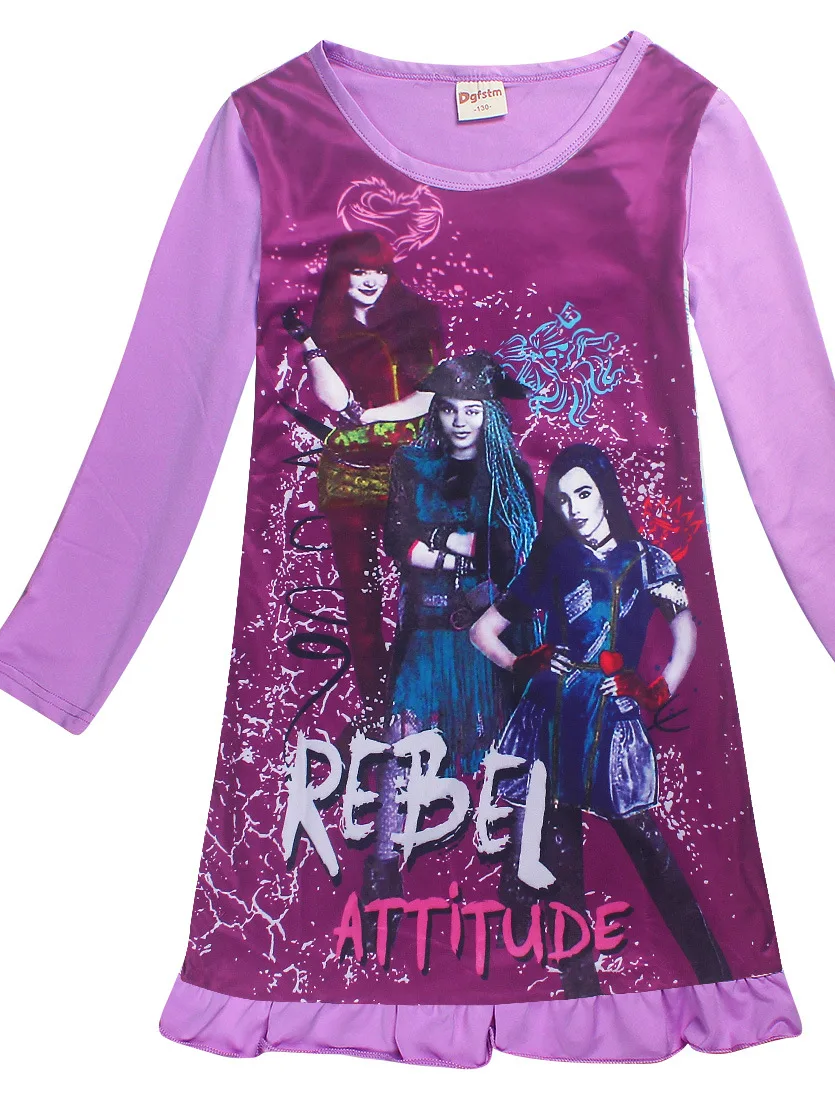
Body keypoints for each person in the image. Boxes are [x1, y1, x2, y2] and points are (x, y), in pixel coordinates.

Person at [469, 442, 732, 997]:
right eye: (562, 500)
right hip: (552, 716)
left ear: (605, 494)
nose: (574, 509)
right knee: (562, 862)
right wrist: (522, 662)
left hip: (611, 715)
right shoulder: (553, 560)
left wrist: (655, 689)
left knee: (648, 847)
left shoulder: (648, 561)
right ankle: (579, 995)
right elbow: (482, 631)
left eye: (583, 493)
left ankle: (717, 979)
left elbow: (686, 631)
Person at [361, 350, 538, 907]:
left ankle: (519, 867)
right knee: (401, 739)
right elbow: (398, 540)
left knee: (512, 746)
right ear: (435, 411)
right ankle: (382, 868)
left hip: (490, 630)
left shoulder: (510, 473)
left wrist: (439, 543)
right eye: (450, 409)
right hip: (427, 626)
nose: (461, 421)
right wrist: (453, 546)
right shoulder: (411, 464)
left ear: (489, 414)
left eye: (473, 410)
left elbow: (510, 554)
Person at [281, 231, 446, 728]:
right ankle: (376, 709)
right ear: (341, 275)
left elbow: (428, 397)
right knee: (361, 594)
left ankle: (422, 701)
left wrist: (371, 415)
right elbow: (333, 401)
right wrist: (311, 344)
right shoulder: (325, 328)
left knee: (424, 585)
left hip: (410, 470)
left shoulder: (417, 320)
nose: (370, 280)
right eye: (359, 270)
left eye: (378, 270)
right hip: (348, 475)